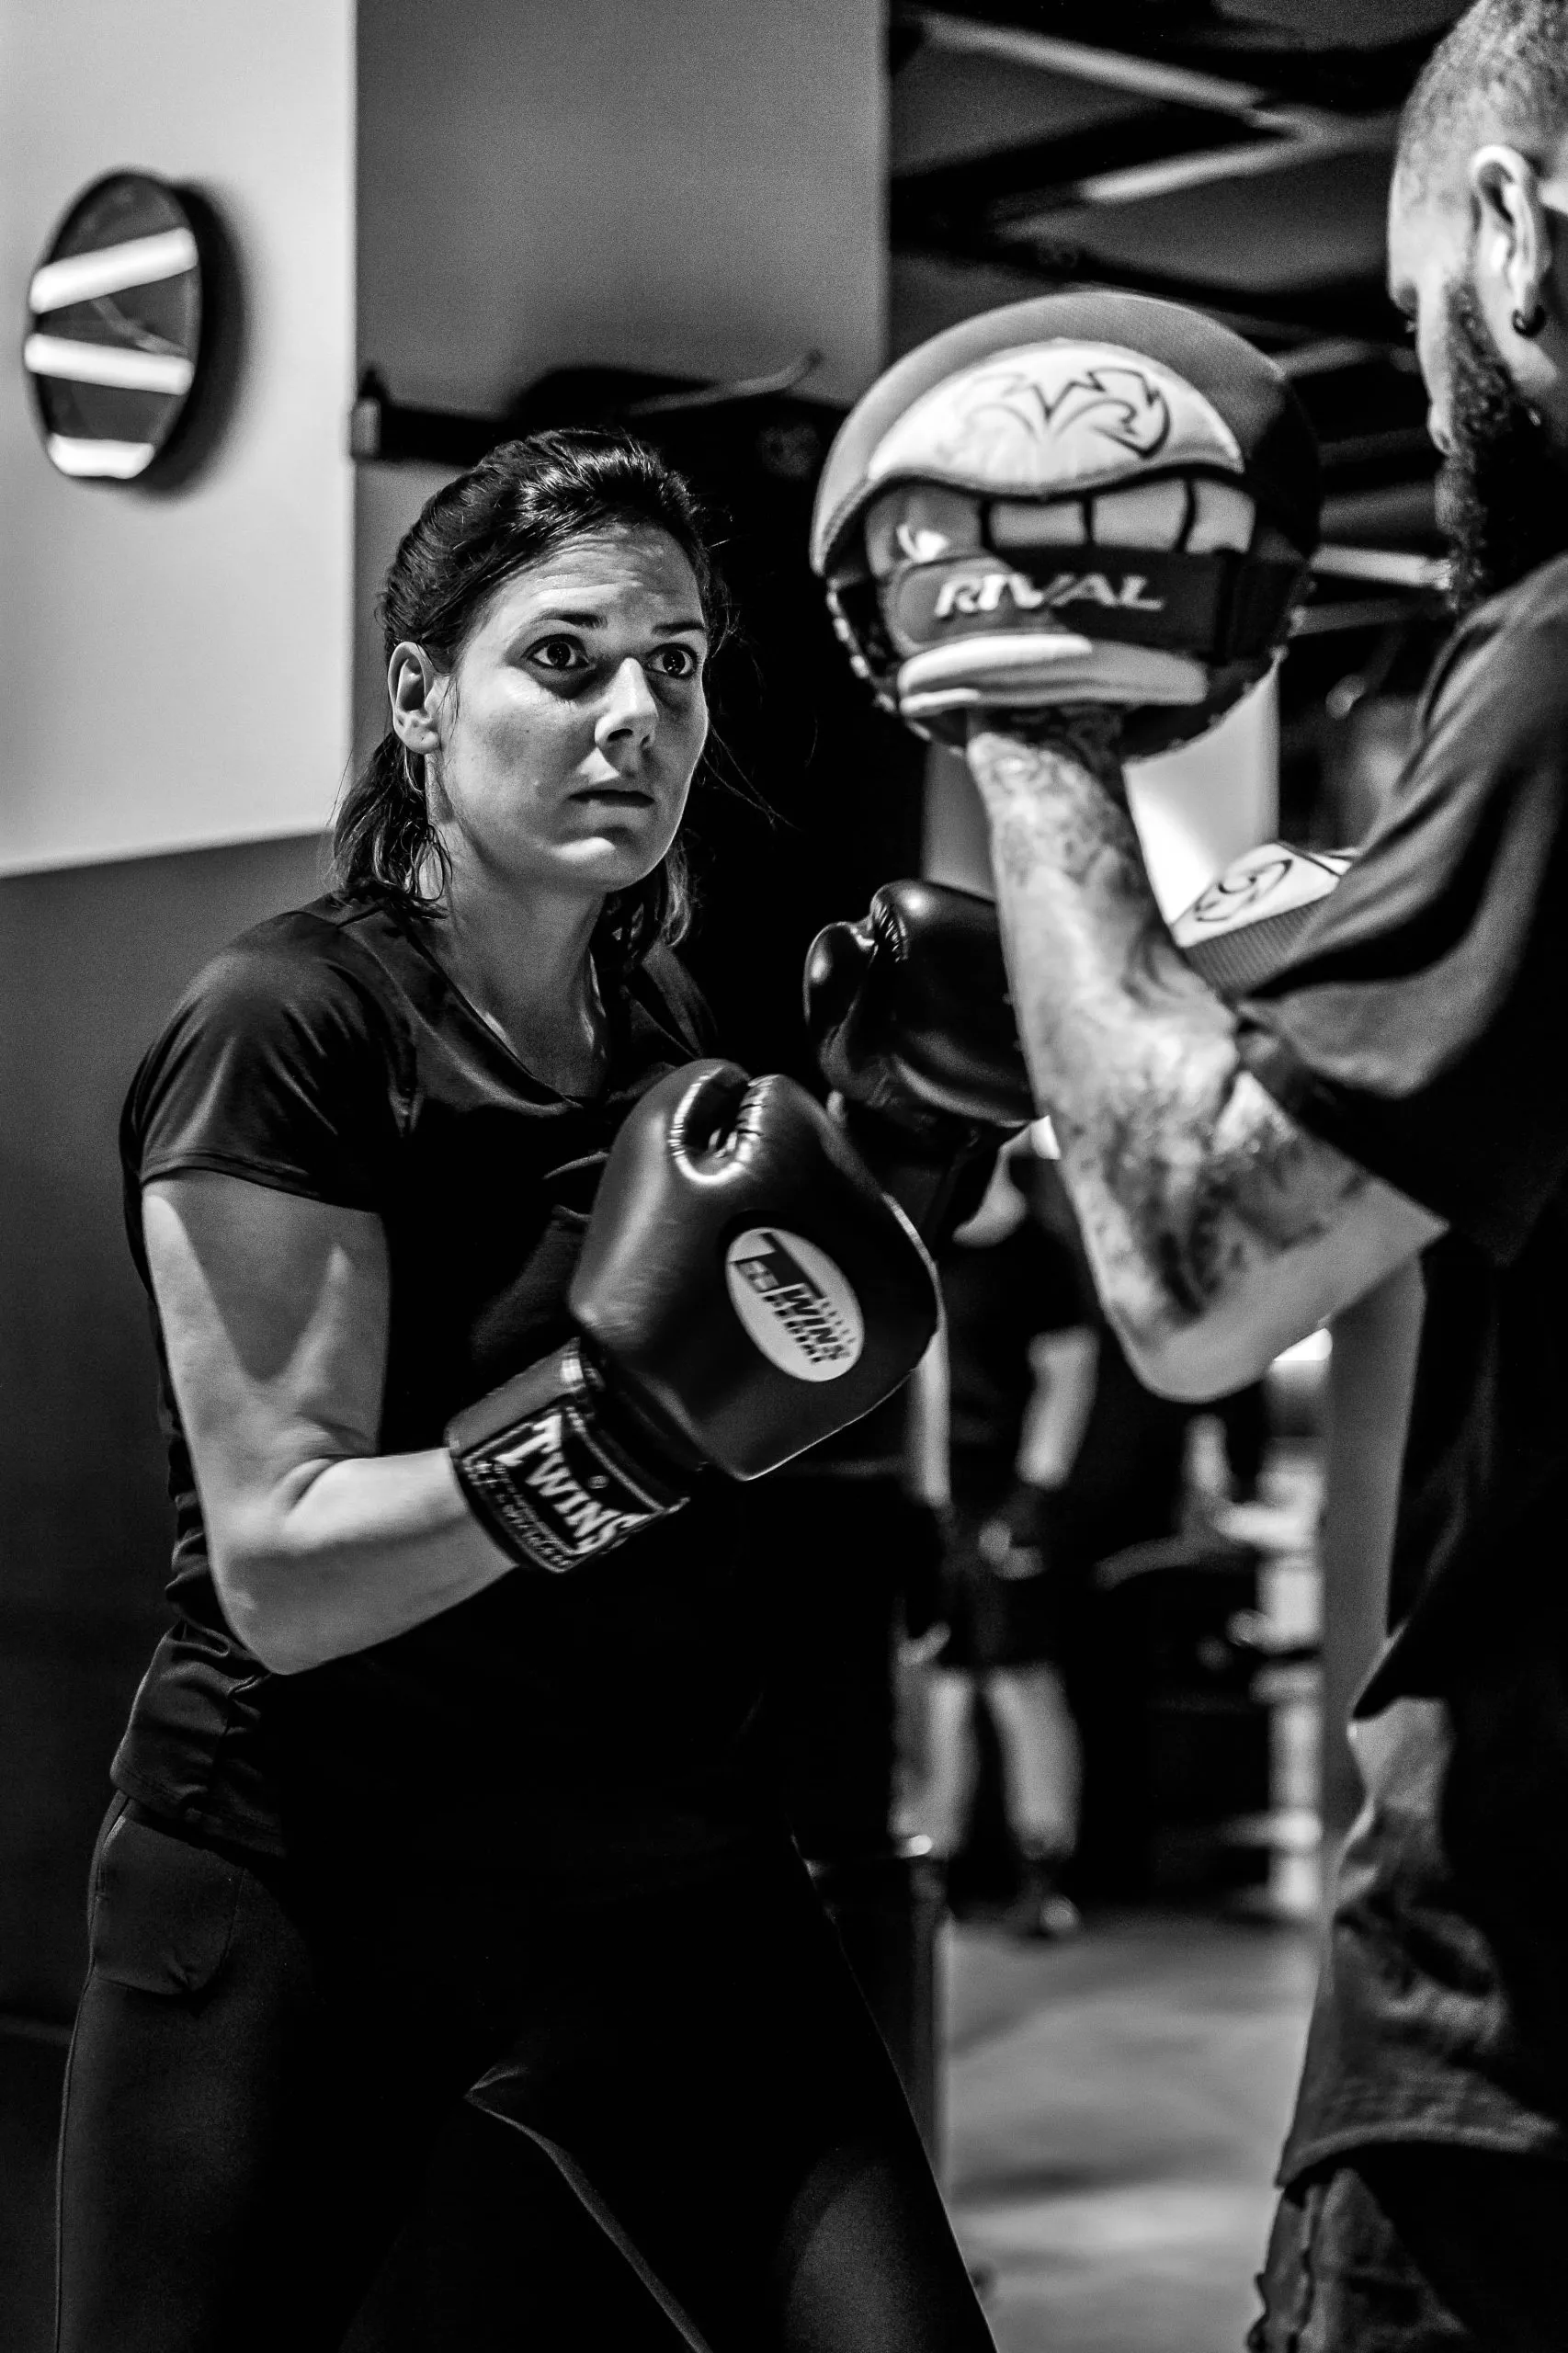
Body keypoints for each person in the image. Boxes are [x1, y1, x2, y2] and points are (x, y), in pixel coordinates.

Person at [53, 429, 996, 2353]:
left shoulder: (667, 1055)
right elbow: (287, 1571)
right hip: (311, 1874)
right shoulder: (287, 1024)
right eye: (565, 659)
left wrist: (912, 1175)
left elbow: (766, 1408)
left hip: (658, 1861)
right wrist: (609, 1428)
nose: (633, 712)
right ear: (422, 698)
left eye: (677, 663)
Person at [816, 2, 1568, 2341]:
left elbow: (1188, 1267)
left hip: (1531, 2073)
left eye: (1413, 295)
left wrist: (1027, 719)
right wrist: (1317, 941)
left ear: (1518, 241)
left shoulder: (1556, 659)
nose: (1422, 381)